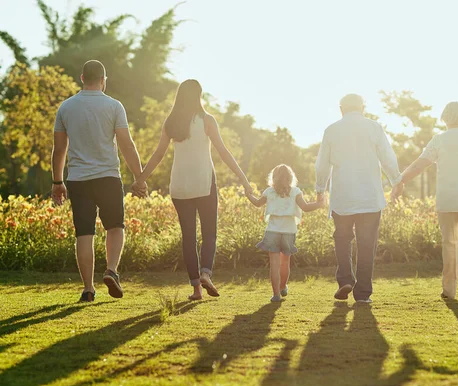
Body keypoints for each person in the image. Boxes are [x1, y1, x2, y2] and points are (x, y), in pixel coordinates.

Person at [133, 79, 252, 301]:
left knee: (188, 237)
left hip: (180, 185)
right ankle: (206, 272)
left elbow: (158, 154)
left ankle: (197, 289)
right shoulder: (206, 120)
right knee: (209, 233)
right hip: (204, 182)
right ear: (199, 95)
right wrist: (243, 179)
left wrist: (140, 179)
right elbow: (223, 152)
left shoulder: (171, 123)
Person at [51, 60, 147, 302]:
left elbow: (59, 149)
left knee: (84, 234)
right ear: (104, 80)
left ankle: (87, 289)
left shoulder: (66, 107)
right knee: (115, 227)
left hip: (78, 180)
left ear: (82, 78)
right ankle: (111, 270)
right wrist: (139, 177)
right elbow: (126, 145)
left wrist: (57, 182)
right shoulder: (114, 106)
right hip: (108, 177)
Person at [395, 101, 458, 306]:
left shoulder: (439, 140)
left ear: (445, 117)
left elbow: (419, 165)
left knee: (450, 244)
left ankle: (449, 291)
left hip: (448, 199)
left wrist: (400, 181)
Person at [315, 94, 404, 304]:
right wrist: (396, 181)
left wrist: (320, 189)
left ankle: (345, 279)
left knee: (342, 238)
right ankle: (363, 294)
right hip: (370, 197)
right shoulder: (374, 128)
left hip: (343, 197)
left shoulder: (331, 130)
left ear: (341, 109)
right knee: (367, 244)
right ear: (363, 108)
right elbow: (388, 157)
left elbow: (322, 164)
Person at [245, 164, 325, 302]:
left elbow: (257, 203)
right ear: (290, 177)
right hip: (289, 232)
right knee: (284, 263)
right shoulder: (295, 191)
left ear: (274, 178)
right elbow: (305, 207)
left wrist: (248, 194)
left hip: (272, 231)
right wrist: (318, 204)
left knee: (274, 265)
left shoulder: (269, 191)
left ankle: (276, 294)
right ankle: (282, 287)